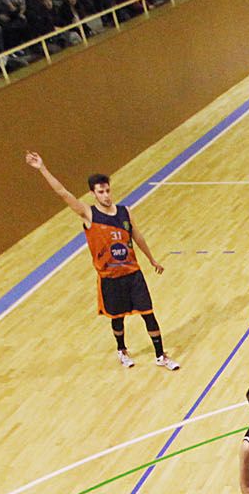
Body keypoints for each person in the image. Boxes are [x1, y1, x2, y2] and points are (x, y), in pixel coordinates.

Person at [24, 150, 180, 369]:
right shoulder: (89, 214)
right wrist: (42, 168)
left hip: (133, 274)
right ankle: (122, 350)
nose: (106, 195)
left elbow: (137, 236)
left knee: (149, 314)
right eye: (101, 192)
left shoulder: (125, 211)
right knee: (117, 318)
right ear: (93, 194)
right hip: (110, 278)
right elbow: (63, 193)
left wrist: (152, 260)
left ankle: (160, 355)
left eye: (108, 190)